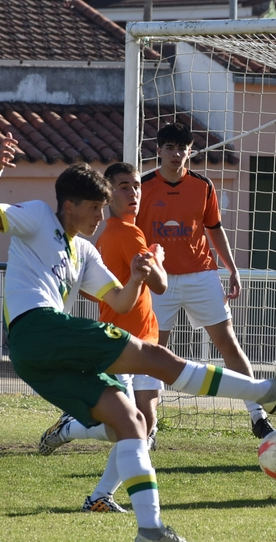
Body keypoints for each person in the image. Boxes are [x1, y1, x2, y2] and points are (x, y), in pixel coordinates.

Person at [0, 134, 276, 542]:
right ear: (69, 206)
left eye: (103, 208)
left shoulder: (85, 251)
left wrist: (137, 275)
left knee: (131, 423)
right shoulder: (39, 217)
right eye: (94, 207)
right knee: (154, 357)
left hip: (36, 356)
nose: (100, 216)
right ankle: (265, 392)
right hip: (37, 328)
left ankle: (149, 530)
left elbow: (118, 298)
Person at [36, 162, 167, 516]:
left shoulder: (109, 234)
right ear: (108, 193)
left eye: (137, 186)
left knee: (145, 423)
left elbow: (102, 293)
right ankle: (72, 429)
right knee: (128, 425)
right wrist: (158, 259)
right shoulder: (123, 232)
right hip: (124, 343)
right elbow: (160, 285)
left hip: (144, 336)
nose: (134, 193)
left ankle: (99, 495)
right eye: (124, 186)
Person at [136, 122, 275, 439]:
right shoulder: (143, 188)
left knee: (228, 344)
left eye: (181, 148)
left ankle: (257, 416)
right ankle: (148, 426)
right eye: (169, 147)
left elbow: (214, 228)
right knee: (154, 352)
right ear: (159, 151)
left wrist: (232, 268)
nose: (175, 154)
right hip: (160, 280)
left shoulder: (203, 187)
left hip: (202, 275)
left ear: (190, 151)